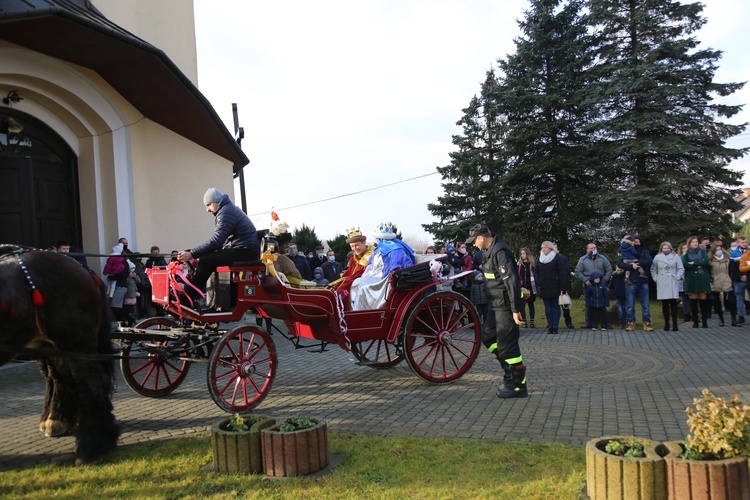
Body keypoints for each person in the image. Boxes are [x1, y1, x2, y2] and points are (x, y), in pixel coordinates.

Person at [465, 223, 526, 398]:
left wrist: (515, 309)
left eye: (474, 241)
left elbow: (511, 281)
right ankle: (508, 372)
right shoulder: (488, 252)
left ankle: (518, 386)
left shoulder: (500, 251)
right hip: (494, 305)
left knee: (508, 347)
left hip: (506, 307)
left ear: (482, 237)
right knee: (488, 336)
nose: (474, 245)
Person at [178, 187, 260, 309]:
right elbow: (219, 242)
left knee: (206, 260)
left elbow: (216, 241)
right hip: (242, 249)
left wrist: (192, 254)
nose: (207, 209)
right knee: (207, 260)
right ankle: (214, 303)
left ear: (217, 201)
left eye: (208, 205)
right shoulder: (226, 210)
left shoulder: (226, 212)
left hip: (245, 251)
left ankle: (186, 300)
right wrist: (194, 254)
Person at [349, 223, 415, 310]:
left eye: (375, 237)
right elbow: (371, 266)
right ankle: (353, 311)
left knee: (363, 288)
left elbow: (396, 269)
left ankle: (365, 313)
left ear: (380, 238)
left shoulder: (396, 249)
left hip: (387, 279)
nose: (374, 239)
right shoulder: (379, 249)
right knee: (355, 283)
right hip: (378, 275)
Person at [618, 234, 653, 331]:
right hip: (630, 281)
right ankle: (631, 323)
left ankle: (647, 323)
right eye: (635, 241)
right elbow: (620, 263)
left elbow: (649, 261)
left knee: (645, 304)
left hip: (643, 281)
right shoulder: (626, 252)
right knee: (630, 304)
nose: (637, 243)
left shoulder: (645, 252)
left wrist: (638, 264)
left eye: (638, 241)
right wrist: (630, 267)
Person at [574, 242, 613, 328]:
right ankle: (590, 324)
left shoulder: (602, 258)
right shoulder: (582, 260)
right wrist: (585, 280)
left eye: (594, 248)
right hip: (589, 286)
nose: (593, 249)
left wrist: (604, 280)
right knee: (589, 305)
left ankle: (605, 323)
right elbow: (578, 272)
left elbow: (609, 269)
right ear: (587, 250)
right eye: (591, 248)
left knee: (603, 305)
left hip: (601, 286)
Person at [328, 227, 374, 298]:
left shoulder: (372, 256)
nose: (354, 249)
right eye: (352, 246)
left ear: (364, 242)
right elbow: (350, 272)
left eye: (356, 245)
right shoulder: (353, 257)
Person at [536, 241, 570, 335]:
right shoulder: (540, 259)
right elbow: (537, 272)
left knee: (555, 306)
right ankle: (550, 326)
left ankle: (555, 326)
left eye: (545, 248)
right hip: (544, 286)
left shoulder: (557, 258)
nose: (543, 249)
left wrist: (563, 287)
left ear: (550, 248)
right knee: (547, 307)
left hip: (555, 286)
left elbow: (562, 273)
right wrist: (538, 282)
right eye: (542, 248)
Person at [650, 241, 685, 331]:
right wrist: (656, 278)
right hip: (662, 281)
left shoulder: (675, 256)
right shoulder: (657, 257)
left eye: (667, 248)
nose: (666, 250)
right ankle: (666, 323)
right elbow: (653, 269)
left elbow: (680, 268)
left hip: (672, 280)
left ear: (671, 248)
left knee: (673, 303)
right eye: (664, 248)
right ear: (661, 249)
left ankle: (675, 323)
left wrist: (677, 276)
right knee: (664, 303)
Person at [682, 235, 711, 328]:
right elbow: (685, 264)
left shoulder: (702, 251)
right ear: (689, 243)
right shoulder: (686, 253)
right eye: (693, 242)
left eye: (696, 242)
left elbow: (706, 261)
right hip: (691, 278)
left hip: (702, 277)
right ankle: (695, 321)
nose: (695, 243)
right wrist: (698, 265)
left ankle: (704, 321)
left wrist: (694, 262)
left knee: (703, 298)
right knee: (693, 299)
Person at [709, 242, 736, 327]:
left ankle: (733, 319)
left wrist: (731, 279)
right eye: (717, 247)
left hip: (727, 281)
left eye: (720, 247)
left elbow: (732, 270)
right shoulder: (710, 260)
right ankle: (721, 320)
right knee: (717, 302)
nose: (719, 249)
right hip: (716, 282)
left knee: (732, 301)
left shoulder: (727, 259)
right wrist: (711, 280)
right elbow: (708, 272)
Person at [517, 247, 537, 328]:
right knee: (522, 305)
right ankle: (524, 321)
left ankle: (532, 321)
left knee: (531, 304)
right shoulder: (519, 265)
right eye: (521, 254)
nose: (522, 255)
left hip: (531, 287)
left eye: (524, 254)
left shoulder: (532, 264)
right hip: (522, 287)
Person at [733, 236, 749, 324]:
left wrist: (747, 276)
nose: (744, 244)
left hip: (749, 278)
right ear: (738, 243)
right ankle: (741, 316)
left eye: (746, 242)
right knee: (739, 298)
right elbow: (733, 268)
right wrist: (741, 276)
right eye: (742, 242)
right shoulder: (734, 253)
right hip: (739, 280)